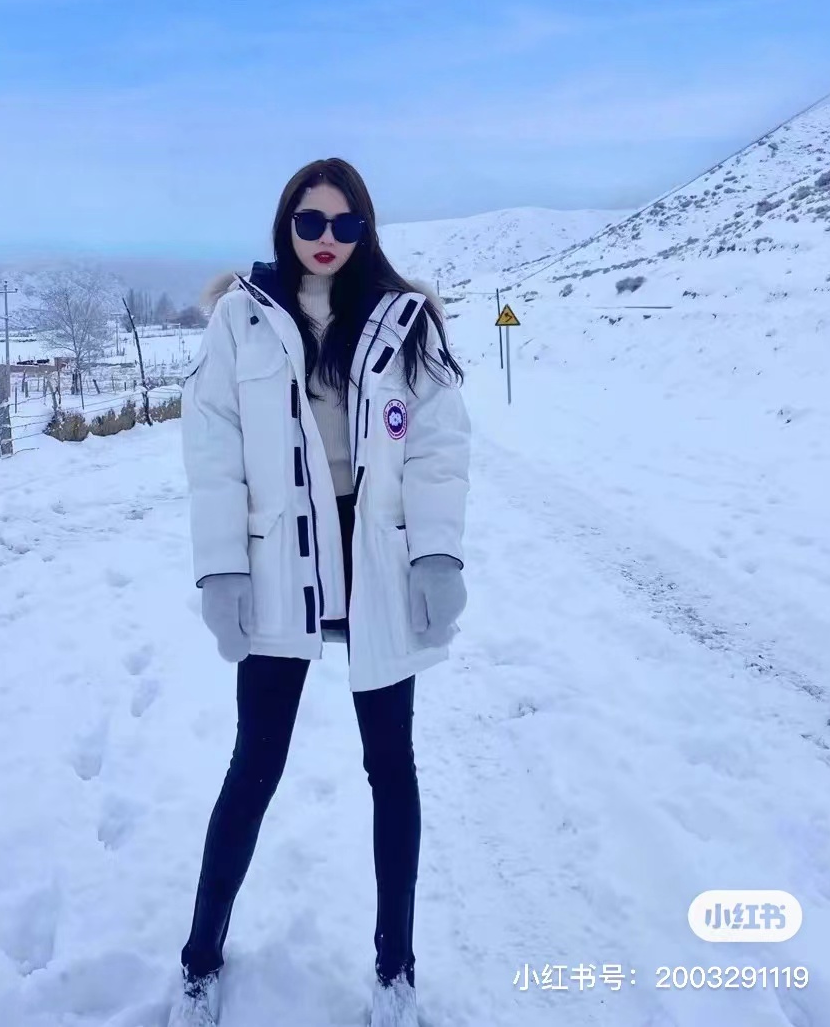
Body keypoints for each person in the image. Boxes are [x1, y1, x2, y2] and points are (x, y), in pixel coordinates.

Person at [169, 157, 471, 1027]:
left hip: (375, 559)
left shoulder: (404, 318)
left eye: (345, 223)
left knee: (392, 768)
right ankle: (198, 963)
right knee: (254, 765)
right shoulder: (241, 318)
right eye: (311, 222)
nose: (327, 238)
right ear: (286, 225)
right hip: (280, 562)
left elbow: (439, 445)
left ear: (365, 228)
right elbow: (213, 448)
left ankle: (395, 973)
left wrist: (436, 555)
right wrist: (221, 566)